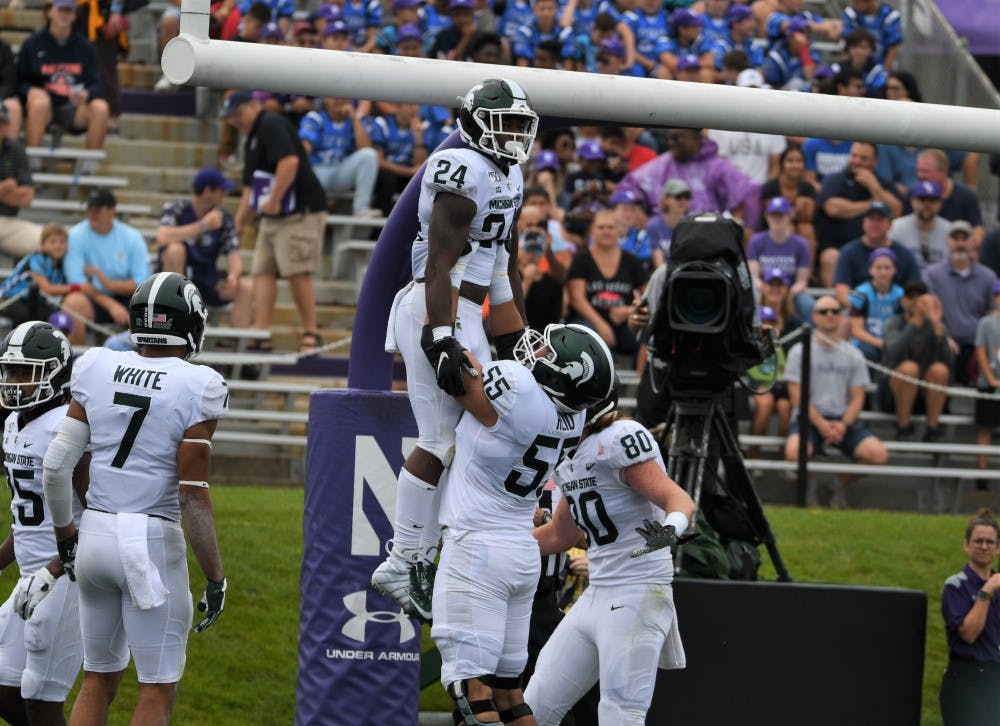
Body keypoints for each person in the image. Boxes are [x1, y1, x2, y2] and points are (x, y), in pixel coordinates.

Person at [370, 79, 536, 619]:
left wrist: (516, 343)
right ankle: (406, 557)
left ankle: (434, 547)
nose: (513, 136)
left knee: (485, 430)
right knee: (442, 439)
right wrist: (441, 335)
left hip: (469, 312)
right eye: (504, 123)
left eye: (519, 125)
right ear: (474, 121)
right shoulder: (460, 167)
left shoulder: (509, 173)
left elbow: (502, 271)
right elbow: (440, 263)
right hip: (435, 306)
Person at [41, 272, 228, 725]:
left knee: (96, 679)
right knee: (157, 689)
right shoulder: (198, 384)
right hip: (149, 540)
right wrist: (216, 577)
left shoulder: (97, 366)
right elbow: (192, 498)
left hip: (95, 536)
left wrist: (68, 537)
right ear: (191, 324)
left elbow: (55, 466)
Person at [431, 323, 615, 726]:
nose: (539, 353)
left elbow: (456, 374)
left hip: (478, 549)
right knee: (510, 695)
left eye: (550, 354)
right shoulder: (573, 415)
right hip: (521, 554)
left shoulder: (519, 387)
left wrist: (441, 332)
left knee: (473, 698)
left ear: (563, 376)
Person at [524, 386, 695, 724]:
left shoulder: (619, 439)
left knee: (620, 713)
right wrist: (496, 545)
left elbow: (678, 499)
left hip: (637, 589)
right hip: (599, 593)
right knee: (536, 703)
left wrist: (670, 529)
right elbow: (562, 533)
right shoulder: (572, 453)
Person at [0, 321, 86, 726]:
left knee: (39, 698)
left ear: (56, 372)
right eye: (10, 370)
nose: (15, 381)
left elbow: (102, 512)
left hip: (67, 573)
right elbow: (27, 515)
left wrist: (57, 565)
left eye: (25, 372)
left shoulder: (66, 428)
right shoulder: (14, 423)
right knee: (6, 692)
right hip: (30, 577)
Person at [224, 91, 329, 353]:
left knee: (296, 270)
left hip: (298, 211)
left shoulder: (271, 123)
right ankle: (261, 330)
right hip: (273, 215)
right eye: (232, 118)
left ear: (253, 105)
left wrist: (274, 198)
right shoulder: (251, 139)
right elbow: (250, 187)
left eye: (239, 114)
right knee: (262, 270)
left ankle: (311, 332)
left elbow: (289, 161)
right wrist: (238, 222)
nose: (237, 122)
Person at [783, 296, 888, 508]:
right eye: (823, 312)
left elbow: (858, 396)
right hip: (809, 418)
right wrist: (821, 424)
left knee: (877, 454)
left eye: (834, 311)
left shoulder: (853, 353)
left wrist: (843, 424)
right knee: (794, 452)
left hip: (842, 419)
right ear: (814, 317)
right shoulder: (798, 351)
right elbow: (796, 396)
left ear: (841, 316)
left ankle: (837, 485)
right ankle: (809, 487)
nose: (829, 315)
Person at [156, 167, 253, 328]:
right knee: (175, 250)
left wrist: (233, 277)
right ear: (208, 191)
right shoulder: (177, 208)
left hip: (206, 279)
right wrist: (202, 226)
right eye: (221, 191)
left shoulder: (223, 217)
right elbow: (162, 236)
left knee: (246, 286)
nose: (225, 195)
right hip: (176, 280)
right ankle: (175, 322)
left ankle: (237, 343)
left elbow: (234, 255)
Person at [18, 0, 110, 167]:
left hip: (74, 108)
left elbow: (97, 84)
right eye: (61, 10)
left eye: (69, 11)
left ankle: (88, 167)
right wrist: (30, 90)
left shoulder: (86, 47)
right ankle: (31, 165)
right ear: (49, 12)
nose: (64, 15)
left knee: (100, 107)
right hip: (44, 108)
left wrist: (86, 94)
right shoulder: (32, 44)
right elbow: (19, 81)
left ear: (75, 15)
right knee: (39, 103)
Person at [615, 127, 761, 230]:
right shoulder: (661, 165)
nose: (671, 142)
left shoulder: (717, 166)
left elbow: (747, 194)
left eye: (678, 138)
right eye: (670, 138)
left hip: (709, 234)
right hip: (666, 235)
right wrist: (638, 213)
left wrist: (734, 228)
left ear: (696, 138)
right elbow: (627, 188)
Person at [62, 188, 151, 346]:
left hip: (129, 298)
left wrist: (109, 285)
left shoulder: (132, 237)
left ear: (112, 211)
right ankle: (74, 364)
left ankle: (148, 364)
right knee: (73, 302)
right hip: (93, 299)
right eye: (89, 209)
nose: (91, 213)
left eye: (97, 209)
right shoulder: (76, 235)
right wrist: (111, 304)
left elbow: (142, 283)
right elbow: (77, 284)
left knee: (147, 308)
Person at [939, 509, 1000, 725]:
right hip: (967, 680)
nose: (984, 546)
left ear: (998, 548)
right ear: (966, 545)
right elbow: (968, 634)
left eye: (990, 542)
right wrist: (986, 592)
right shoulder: (955, 586)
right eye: (978, 541)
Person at [815, 141, 902, 286]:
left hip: (876, 248)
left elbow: (897, 211)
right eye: (854, 156)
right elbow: (833, 208)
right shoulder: (836, 180)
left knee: (887, 259)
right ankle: (834, 306)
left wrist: (874, 187)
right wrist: (871, 204)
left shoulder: (882, 184)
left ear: (875, 162)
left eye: (863, 158)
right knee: (830, 257)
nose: (857, 162)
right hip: (838, 246)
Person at [566, 209, 648, 357]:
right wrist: (600, 325)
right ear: (592, 231)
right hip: (589, 321)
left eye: (610, 227)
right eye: (601, 227)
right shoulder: (581, 259)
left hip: (624, 322)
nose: (606, 231)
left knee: (645, 335)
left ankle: (643, 378)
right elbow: (576, 299)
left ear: (619, 231)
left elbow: (648, 295)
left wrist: (630, 311)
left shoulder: (631, 261)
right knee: (585, 335)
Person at [924, 221, 997, 386]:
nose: (960, 243)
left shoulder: (988, 276)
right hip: (943, 340)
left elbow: (993, 312)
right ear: (947, 242)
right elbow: (930, 311)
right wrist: (945, 337)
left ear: (972, 242)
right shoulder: (932, 274)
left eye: (964, 238)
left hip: (976, 343)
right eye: (955, 238)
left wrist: (982, 342)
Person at [880, 281, 952, 442]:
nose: (916, 302)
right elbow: (893, 353)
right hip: (893, 392)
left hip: (925, 392)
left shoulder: (936, 325)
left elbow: (949, 361)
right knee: (909, 368)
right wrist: (914, 324)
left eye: (921, 298)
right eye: (911, 297)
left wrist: (937, 326)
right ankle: (903, 426)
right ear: (903, 301)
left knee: (940, 370)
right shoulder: (893, 323)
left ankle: (932, 428)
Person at [298, 96, 378, 217]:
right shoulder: (315, 117)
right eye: (334, 98)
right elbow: (304, 150)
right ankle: (308, 208)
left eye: (343, 98)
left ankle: (361, 208)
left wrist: (354, 119)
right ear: (325, 100)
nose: (339, 100)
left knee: (369, 155)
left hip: (340, 171)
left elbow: (365, 146)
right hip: (318, 171)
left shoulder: (353, 120)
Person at [832, 200, 919, 310]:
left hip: (897, 312)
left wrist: (898, 309)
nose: (875, 224)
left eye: (880, 219)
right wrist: (862, 309)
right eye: (871, 219)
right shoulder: (849, 251)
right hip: (858, 311)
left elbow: (914, 291)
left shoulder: (904, 254)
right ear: (863, 222)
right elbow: (842, 289)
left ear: (890, 225)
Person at [747, 196, 813, 321]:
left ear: (789, 216)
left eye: (781, 215)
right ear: (767, 217)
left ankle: (807, 336)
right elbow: (754, 277)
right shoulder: (756, 241)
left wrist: (786, 293)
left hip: (790, 290)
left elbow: (802, 281)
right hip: (764, 288)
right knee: (749, 300)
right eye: (773, 215)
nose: (777, 219)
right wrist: (768, 291)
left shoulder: (801, 244)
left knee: (808, 305)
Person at [0, 223, 72, 328]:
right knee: (24, 316)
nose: (58, 246)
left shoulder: (61, 265)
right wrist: (77, 288)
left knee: (54, 318)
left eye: (62, 242)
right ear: (43, 245)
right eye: (52, 242)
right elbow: (47, 288)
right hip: (11, 299)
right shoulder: (36, 259)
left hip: (36, 301)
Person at [847, 248, 904, 362]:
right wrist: (880, 343)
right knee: (868, 353)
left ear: (894, 270)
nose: (883, 272)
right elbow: (856, 329)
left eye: (887, 268)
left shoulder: (900, 294)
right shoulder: (861, 293)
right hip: (866, 341)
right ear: (870, 270)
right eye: (878, 268)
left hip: (892, 340)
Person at [0, 103, 41, 259]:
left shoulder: (15, 149)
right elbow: (19, 192)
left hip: (7, 222)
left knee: (48, 241)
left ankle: (31, 283)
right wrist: (6, 186)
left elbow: (27, 197)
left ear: (6, 125)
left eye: (1, 123)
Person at [760, 145, 816, 247]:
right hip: (772, 227)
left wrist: (805, 207)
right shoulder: (770, 187)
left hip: (799, 227)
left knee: (807, 229)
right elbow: (769, 216)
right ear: (782, 164)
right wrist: (793, 211)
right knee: (787, 227)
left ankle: (805, 263)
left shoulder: (808, 188)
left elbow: (809, 218)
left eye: (799, 161)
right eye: (790, 161)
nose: (795, 165)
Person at [890, 180, 950, 271]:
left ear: (940, 204)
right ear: (912, 202)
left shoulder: (950, 230)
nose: (927, 205)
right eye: (922, 200)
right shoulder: (896, 228)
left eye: (932, 200)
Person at [974, 285, 1000, 482]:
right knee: (985, 427)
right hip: (988, 384)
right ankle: (982, 474)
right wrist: (991, 378)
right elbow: (980, 351)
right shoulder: (987, 323)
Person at [644, 178, 691, 267]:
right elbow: (659, 265)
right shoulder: (653, 226)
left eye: (686, 196)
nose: (683, 200)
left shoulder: (692, 225)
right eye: (678, 196)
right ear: (666, 199)